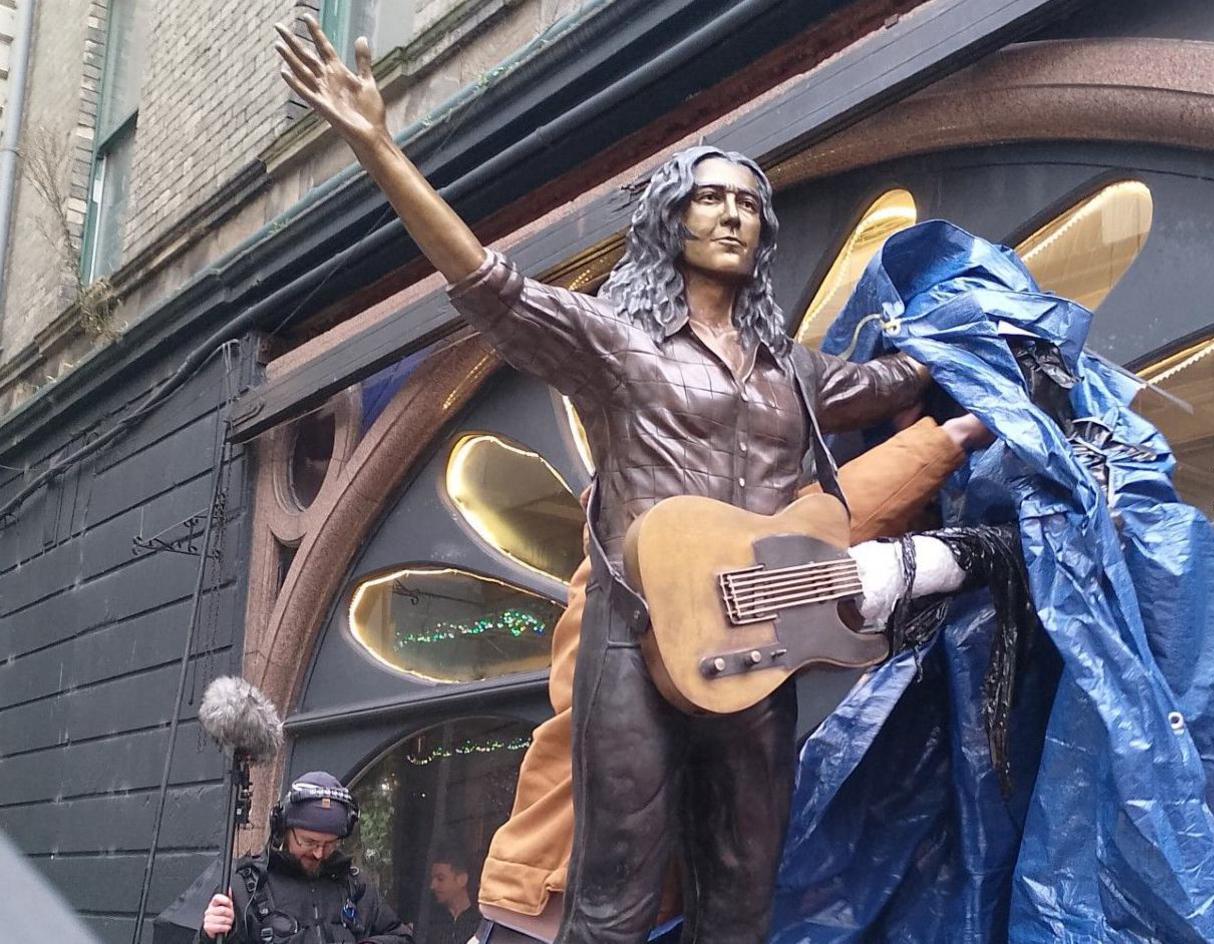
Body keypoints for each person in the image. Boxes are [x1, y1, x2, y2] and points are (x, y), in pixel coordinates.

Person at [273, 17, 932, 944]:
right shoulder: (620, 348)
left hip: (759, 649)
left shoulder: (800, 374)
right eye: (711, 199)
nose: (735, 214)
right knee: (610, 902)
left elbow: (907, 381)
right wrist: (377, 147)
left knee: (742, 906)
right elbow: (486, 284)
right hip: (635, 639)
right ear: (673, 217)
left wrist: (993, 333)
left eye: (750, 204)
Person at [473, 411, 991, 941]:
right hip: (561, 913)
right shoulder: (651, 556)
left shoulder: (644, 544)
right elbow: (810, 539)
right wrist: (948, 439)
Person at [200, 771, 413, 943]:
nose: (319, 853)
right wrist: (208, 937)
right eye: (309, 842)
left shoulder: (357, 887)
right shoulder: (246, 887)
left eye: (330, 844)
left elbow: (402, 937)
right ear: (283, 830)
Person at [425, 851, 482, 944]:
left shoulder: (480, 923)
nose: (432, 885)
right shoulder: (428, 919)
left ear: (462, 880)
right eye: (432, 879)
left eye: (440, 879)